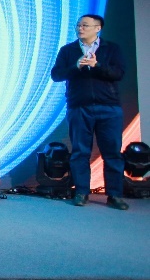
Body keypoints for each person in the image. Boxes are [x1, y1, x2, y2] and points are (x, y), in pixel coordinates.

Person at [50, 14, 128, 210]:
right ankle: (81, 192)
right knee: (80, 152)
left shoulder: (111, 49)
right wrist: (76, 66)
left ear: (98, 28)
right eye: (78, 25)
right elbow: (56, 75)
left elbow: (118, 73)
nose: (80, 28)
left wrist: (97, 65)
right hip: (79, 107)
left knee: (112, 153)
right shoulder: (68, 50)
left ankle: (115, 195)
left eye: (85, 25)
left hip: (108, 107)